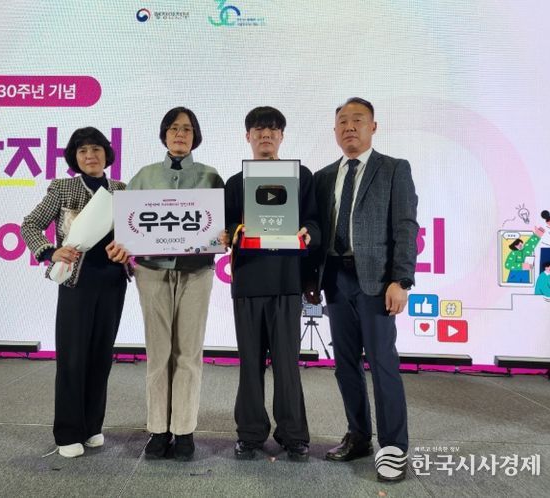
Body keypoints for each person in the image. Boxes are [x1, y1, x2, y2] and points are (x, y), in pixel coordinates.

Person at [305, 97, 418, 482]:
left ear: (373, 127)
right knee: (345, 364)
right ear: (335, 130)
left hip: (377, 282)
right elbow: (318, 233)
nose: (349, 127)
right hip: (335, 280)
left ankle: (393, 446)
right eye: (343, 121)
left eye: (358, 120)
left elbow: (406, 227)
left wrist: (401, 279)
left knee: (383, 363)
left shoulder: (394, 169)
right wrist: (311, 280)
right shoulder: (323, 177)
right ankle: (358, 436)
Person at [107, 107, 223, 461]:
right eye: (173, 128)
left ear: (195, 136)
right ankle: (158, 429)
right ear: (164, 134)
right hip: (152, 271)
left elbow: (221, 223)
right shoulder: (144, 176)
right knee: (158, 352)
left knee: (189, 352)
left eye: (187, 129)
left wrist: (223, 234)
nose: (180, 134)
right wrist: (122, 247)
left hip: (196, 270)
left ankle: (184, 430)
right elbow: (125, 224)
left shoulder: (211, 176)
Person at [21, 127, 128, 458]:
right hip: (76, 283)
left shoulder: (122, 190)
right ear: (74, 157)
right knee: (72, 357)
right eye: (82, 151)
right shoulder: (62, 188)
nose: (90, 156)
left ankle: (92, 426)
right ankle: (68, 432)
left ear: (107, 154)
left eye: (96, 149)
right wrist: (50, 252)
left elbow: (134, 233)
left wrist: (129, 250)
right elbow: (29, 224)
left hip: (113, 282)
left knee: (101, 357)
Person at [223, 106, 320, 462]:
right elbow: (225, 227)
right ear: (247, 136)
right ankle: (249, 433)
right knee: (249, 363)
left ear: (282, 136)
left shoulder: (301, 176)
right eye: (259, 129)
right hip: (248, 281)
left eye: (273, 129)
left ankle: (293, 435)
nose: (266, 135)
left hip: (287, 280)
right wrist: (234, 232)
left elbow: (314, 220)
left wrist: (309, 233)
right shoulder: (235, 183)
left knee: (287, 364)